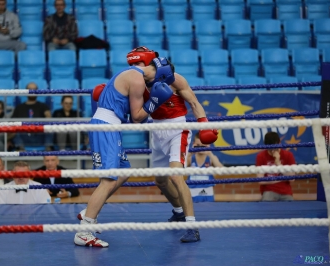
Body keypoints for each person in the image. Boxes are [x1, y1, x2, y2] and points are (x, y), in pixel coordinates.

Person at [116, 46, 218, 242]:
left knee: (176, 176)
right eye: (132, 64)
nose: (135, 67)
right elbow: (135, 115)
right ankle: (179, 212)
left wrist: (204, 125)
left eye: (138, 63)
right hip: (156, 130)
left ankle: (192, 226)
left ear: (149, 62)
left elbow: (195, 103)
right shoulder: (135, 83)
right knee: (160, 180)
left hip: (177, 128)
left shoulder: (174, 79)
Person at [74, 56, 175, 248]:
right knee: (108, 180)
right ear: (162, 75)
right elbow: (137, 118)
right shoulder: (137, 79)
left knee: (124, 171)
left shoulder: (131, 73)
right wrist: (154, 101)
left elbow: (131, 113)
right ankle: (84, 231)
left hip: (110, 125)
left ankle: (89, 211)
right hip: (106, 127)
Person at [10, 82, 54, 151]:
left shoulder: (43, 106)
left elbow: (49, 118)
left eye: (34, 89)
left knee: (50, 128)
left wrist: (42, 124)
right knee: (15, 130)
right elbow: (12, 123)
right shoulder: (19, 107)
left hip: (39, 136)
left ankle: (48, 151)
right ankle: (21, 150)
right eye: (30, 89)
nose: (32, 91)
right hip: (24, 136)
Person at [256, 132, 295, 201]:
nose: (273, 151)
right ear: (266, 146)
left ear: (279, 143)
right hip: (269, 191)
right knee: (266, 203)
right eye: (270, 148)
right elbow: (260, 180)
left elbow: (292, 179)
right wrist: (279, 179)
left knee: (291, 208)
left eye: (275, 147)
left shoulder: (288, 155)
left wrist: (278, 163)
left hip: (285, 192)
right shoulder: (261, 156)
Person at [187, 133, 223, 202]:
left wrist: (210, 154)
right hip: (192, 193)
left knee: (208, 212)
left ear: (208, 145)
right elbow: (179, 169)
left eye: (203, 145)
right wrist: (190, 153)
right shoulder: (190, 158)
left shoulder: (211, 158)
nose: (200, 148)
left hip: (208, 193)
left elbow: (222, 170)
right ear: (194, 144)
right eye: (198, 145)